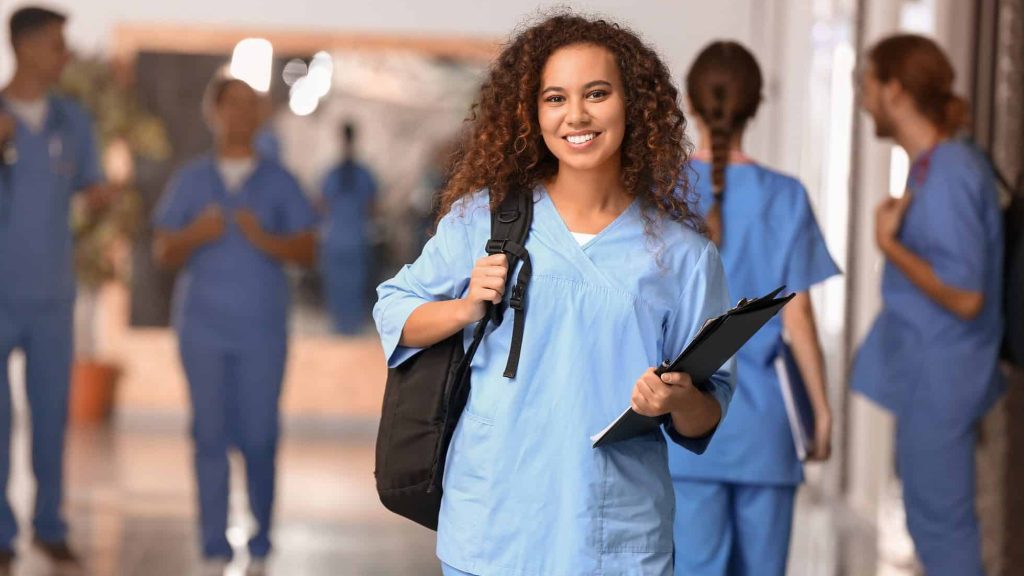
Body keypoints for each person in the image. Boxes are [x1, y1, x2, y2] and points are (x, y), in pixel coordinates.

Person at [373, 13, 734, 576]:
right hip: (494, 526)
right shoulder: (486, 221)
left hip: (612, 536)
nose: (577, 116)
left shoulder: (682, 256)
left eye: (597, 93)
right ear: (531, 113)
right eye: (555, 98)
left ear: (633, 104)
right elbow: (393, 310)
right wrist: (465, 307)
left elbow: (706, 413)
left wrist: (678, 399)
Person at [667, 41, 839, 576]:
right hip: (766, 433)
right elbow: (800, 318)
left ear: (691, 104)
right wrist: (822, 411)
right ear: (757, 104)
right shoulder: (786, 196)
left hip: (684, 428)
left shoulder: (662, 191)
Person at [152, 72, 317, 574]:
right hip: (202, 328)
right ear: (214, 112)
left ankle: (262, 541)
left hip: (261, 330)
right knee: (208, 434)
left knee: (260, 435)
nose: (241, 113)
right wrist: (197, 233)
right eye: (231, 104)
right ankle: (213, 547)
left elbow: (308, 250)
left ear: (261, 114)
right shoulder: (191, 179)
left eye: (251, 104)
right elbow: (162, 251)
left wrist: (265, 239)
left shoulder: (279, 181)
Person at [852, 34, 1004, 576]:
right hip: (929, 376)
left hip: (946, 377)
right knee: (929, 522)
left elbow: (966, 295)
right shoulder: (931, 166)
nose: (862, 99)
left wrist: (890, 246)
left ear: (893, 90)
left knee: (943, 529)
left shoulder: (951, 172)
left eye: (865, 85)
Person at [0, 6, 112, 568]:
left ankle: (50, 525)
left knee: (50, 419)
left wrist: (99, 200)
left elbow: (91, 194)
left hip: (51, 296)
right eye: (54, 45)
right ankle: (0, 532)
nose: (63, 56)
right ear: (21, 46)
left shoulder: (73, 120)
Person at [319, 122, 377, 335]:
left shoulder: (336, 173)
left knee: (346, 285)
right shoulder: (359, 173)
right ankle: (347, 326)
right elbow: (373, 206)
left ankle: (345, 326)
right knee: (347, 284)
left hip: (342, 237)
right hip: (351, 237)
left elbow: (321, 204)